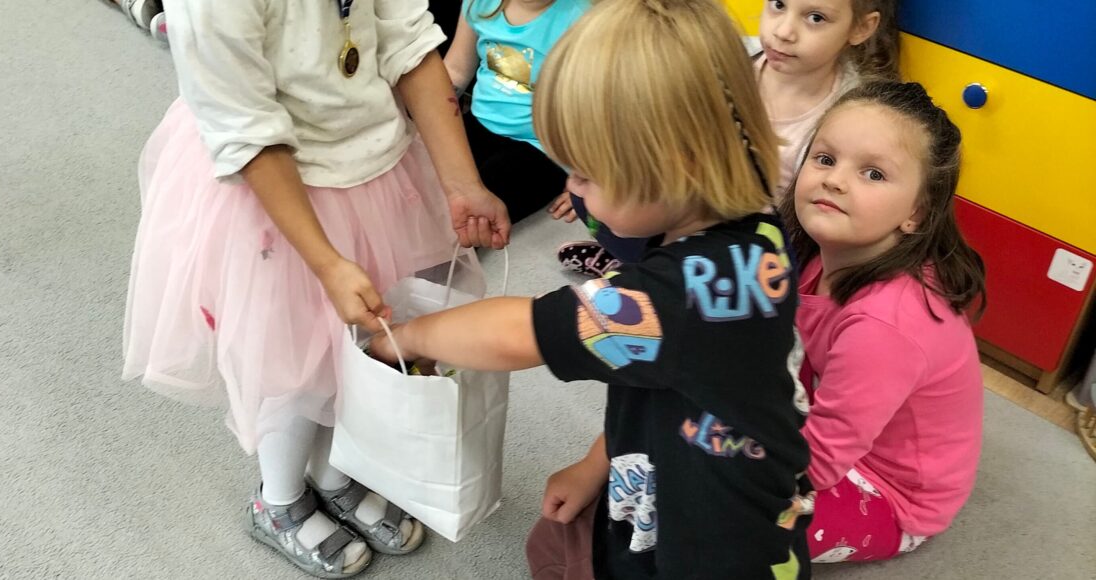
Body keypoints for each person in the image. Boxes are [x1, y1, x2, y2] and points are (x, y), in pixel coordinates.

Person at [372, 1, 814, 577]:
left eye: (584, 173)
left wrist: (410, 337)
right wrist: (595, 465)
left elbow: (519, 333)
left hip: (711, 553)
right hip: (664, 467)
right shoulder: (741, 221)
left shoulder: (687, 292)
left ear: (678, 167)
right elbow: (666, 374)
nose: (573, 191)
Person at [121, 1, 510, 577]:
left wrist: (461, 182)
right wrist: (327, 263)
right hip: (275, 190)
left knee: (358, 343)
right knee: (293, 358)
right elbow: (246, 128)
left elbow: (407, 39)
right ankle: (278, 498)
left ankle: (334, 473)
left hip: (375, 161)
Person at [779, 80, 986, 563]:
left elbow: (820, 460)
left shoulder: (884, 324)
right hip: (832, 427)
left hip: (889, 495)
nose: (834, 180)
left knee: (732, 518)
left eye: (872, 173)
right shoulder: (822, 254)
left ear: (917, 213)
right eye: (825, 158)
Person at [553, 0, 898, 277]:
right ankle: (638, 266)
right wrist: (604, 181)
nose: (783, 31)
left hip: (753, 242)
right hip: (698, 201)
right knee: (587, 199)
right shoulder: (735, 57)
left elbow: (823, 219)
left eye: (816, 18)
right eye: (778, 4)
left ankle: (644, 275)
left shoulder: (851, 116)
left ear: (861, 28)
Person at [443, 0, 590, 224]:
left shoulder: (583, 17)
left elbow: (600, 107)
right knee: (432, 184)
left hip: (544, 146)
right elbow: (456, 70)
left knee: (479, 208)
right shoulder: (479, 3)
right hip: (481, 122)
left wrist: (590, 181)